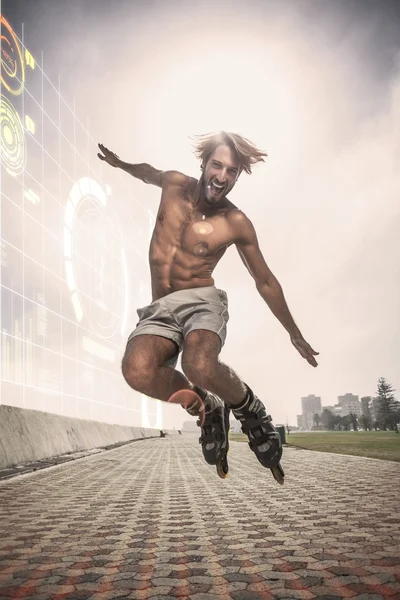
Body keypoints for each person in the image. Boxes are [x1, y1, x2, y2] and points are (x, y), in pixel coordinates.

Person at [97, 132, 318, 481]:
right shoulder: (172, 184)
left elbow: (265, 280)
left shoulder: (235, 222)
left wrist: (294, 332)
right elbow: (146, 172)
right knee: (136, 370)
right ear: (204, 163)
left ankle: (247, 407)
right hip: (161, 308)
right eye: (217, 165)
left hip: (202, 302)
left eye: (231, 171)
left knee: (198, 363)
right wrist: (120, 164)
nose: (222, 177)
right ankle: (207, 405)